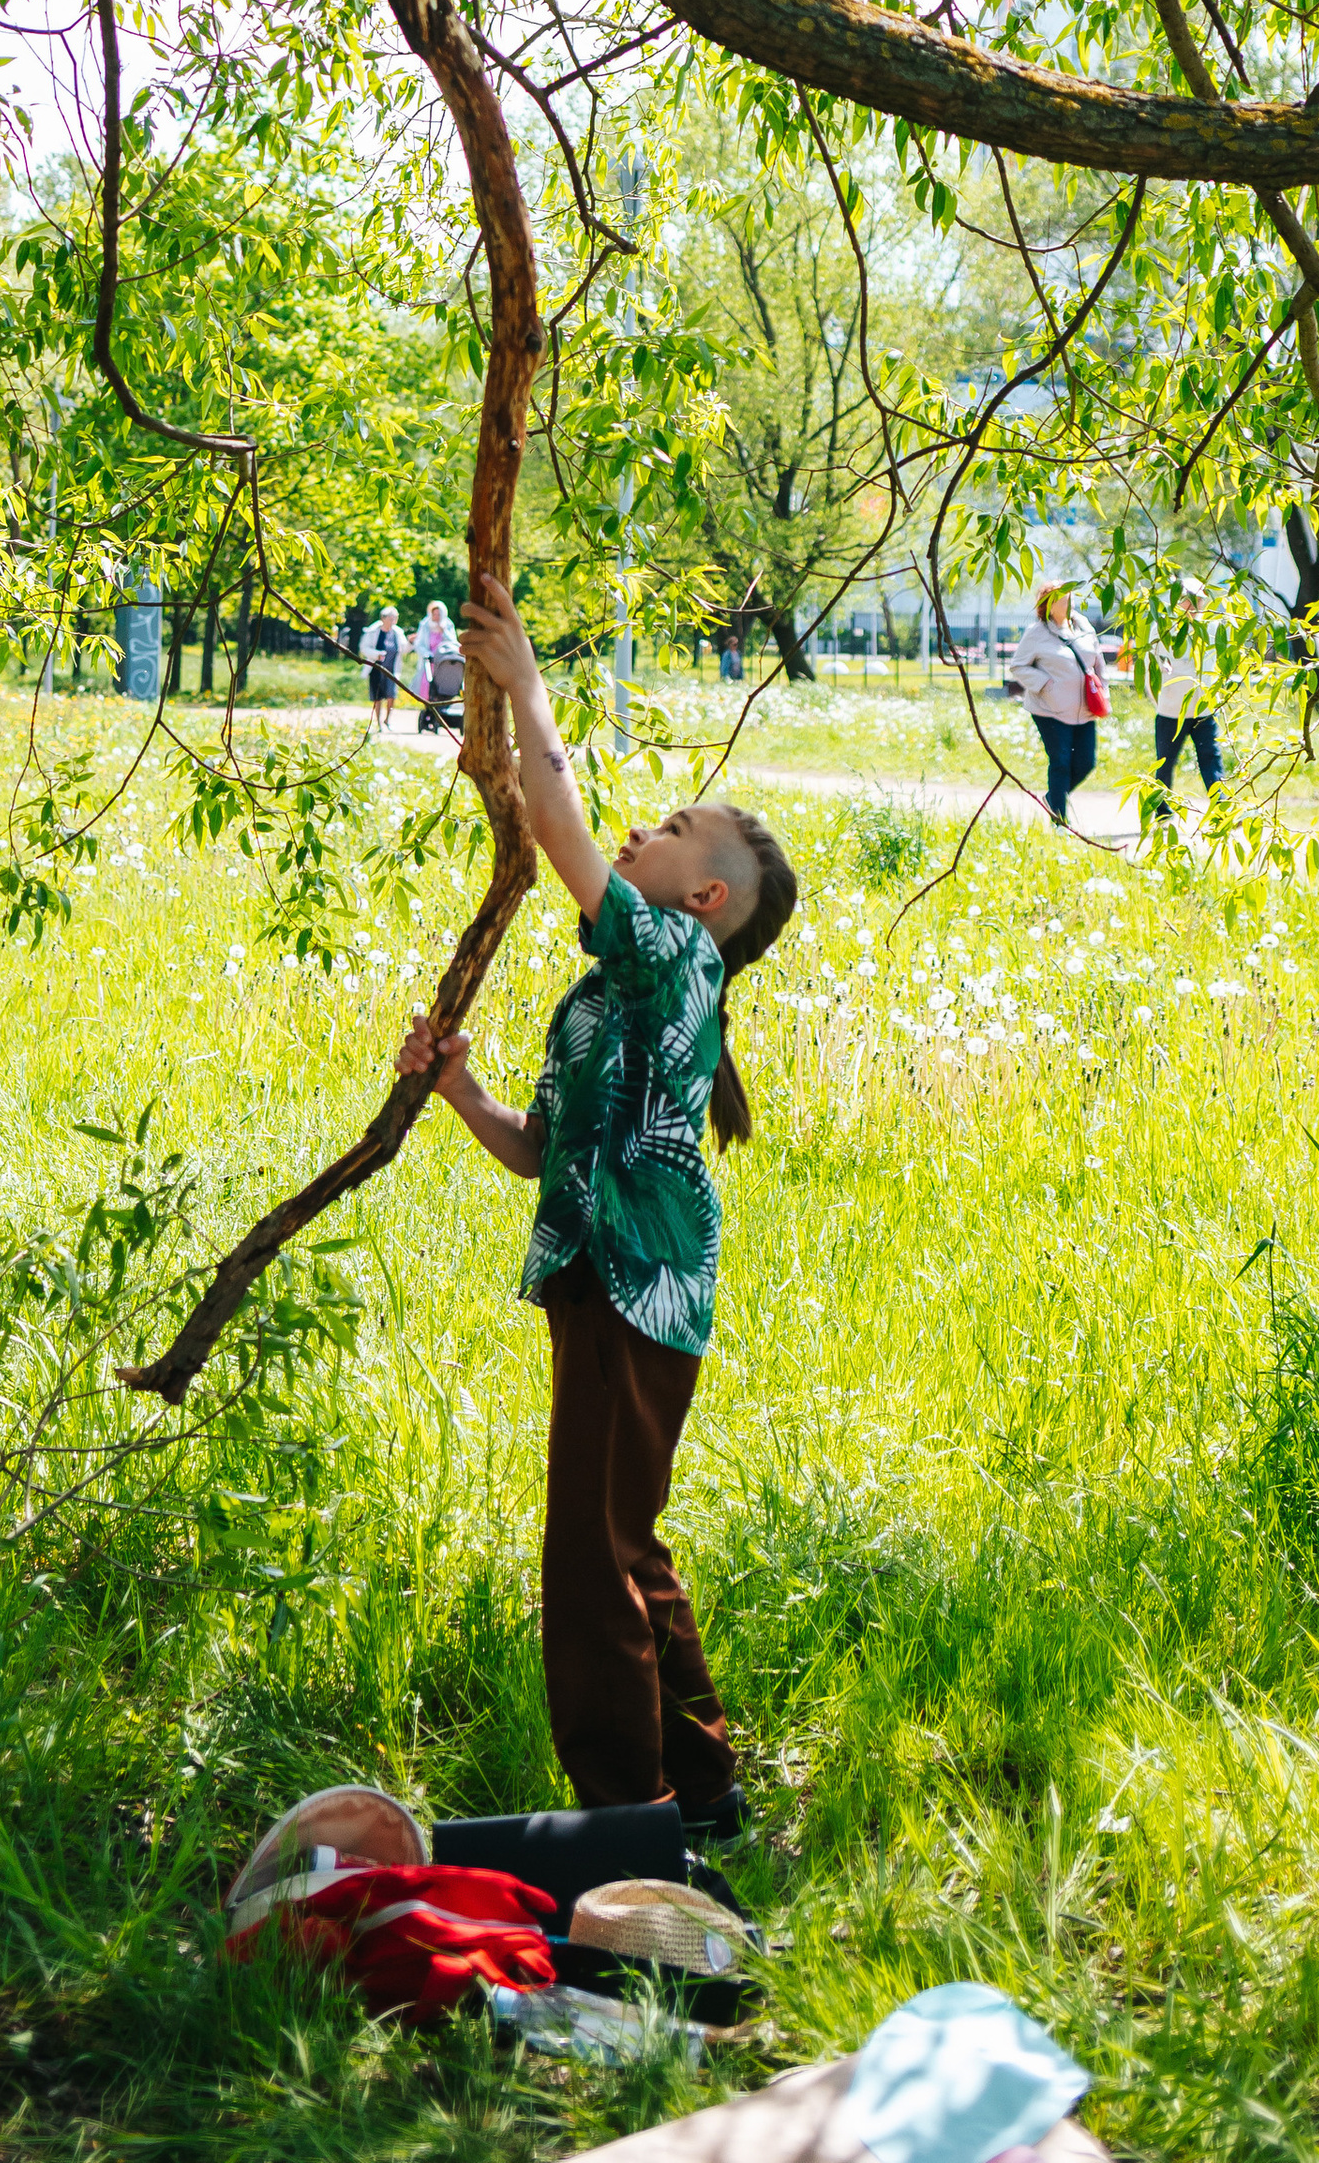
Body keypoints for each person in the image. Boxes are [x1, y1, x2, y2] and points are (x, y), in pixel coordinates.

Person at [397, 572, 799, 1836]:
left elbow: (560, 830)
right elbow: (544, 1153)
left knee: (585, 1568)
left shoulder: (675, 959)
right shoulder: (606, 998)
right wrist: (459, 1094)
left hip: (638, 1293)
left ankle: (628, 1823)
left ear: (705, 901)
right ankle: (704, 1794)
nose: (642, 830)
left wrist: (522, 691)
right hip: (603, 1282)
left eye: (674, 829)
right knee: (624, 1545)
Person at [1012, 579, 1105, 825]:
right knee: (1061, 762)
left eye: (1068, 596)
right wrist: (1045, 684)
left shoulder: (1083, 625)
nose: (1066, 601)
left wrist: (1103, 691)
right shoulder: (1037, 633)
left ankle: (1053, 797)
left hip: (1084, 708)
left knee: (1086, 763)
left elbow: (1097, 660)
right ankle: (1060, 822)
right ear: (1047, 604)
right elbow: (1018, 666)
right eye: (1060, 597)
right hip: (1048, 710)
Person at [1147, 577, 1223, 808]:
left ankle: (1221, 806)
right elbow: (1153, 671)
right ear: (1177, 601)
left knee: (1211, 758)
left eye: (1198, 600)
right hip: (1171, 711)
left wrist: (1216, 698)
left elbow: (1216, 665)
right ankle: (1162, 809)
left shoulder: (1212, 627)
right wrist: (1160, 702)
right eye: (1188, 599)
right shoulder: (1162, 629)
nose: (1193, 605)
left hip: (1204, 710)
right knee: (1165, 762)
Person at [413, 599, 462, 736]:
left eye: (438, 614)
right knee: (429, 686)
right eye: (434, 614)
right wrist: (427, 654)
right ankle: (430, 710)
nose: (436, 617)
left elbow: (453, 643)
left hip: (445, 661)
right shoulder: (425, 625)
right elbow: (419, 643)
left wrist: (443, 630)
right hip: (430, 661)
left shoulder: (448, 625)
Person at [359, 604, 405, 734]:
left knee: (391, 695)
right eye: (391, 618)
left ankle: (387, 720)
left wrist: (412, 642)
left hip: (392, 670)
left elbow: (404, 648)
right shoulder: (373, 631)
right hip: (376, 669)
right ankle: (378, 722)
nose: (393, 621)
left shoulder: (398, 633)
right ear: (383, 618)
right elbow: (364, 648)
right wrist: (376, 654)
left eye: (395, 618)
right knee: (377, 697)